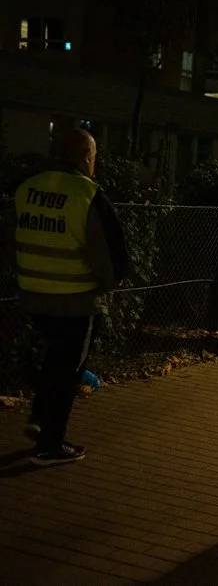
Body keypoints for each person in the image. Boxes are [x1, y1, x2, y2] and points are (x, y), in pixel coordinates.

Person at [12, 128, 128, 465]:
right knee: (69, 369)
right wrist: (109, 285)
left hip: (34, 294)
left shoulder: (27, 189)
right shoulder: (88, 195)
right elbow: (111, 253)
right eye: (93, 156)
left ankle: (40, 419)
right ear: (85, 157)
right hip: (75, 297)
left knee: (55, 359)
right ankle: (50, 445)